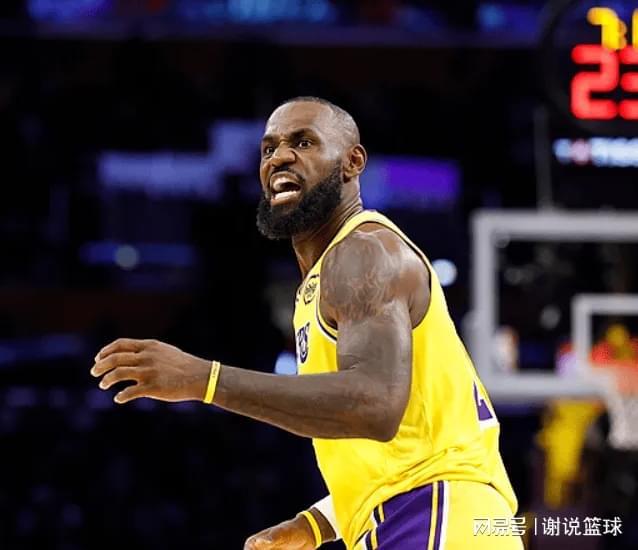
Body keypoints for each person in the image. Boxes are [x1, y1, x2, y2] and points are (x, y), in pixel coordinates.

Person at [91, 97, 522, 549]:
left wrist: (204, 379)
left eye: (303, 142)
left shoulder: (364, 252)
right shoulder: (329, 275)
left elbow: (375, 406)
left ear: (352, 162)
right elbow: (409, 437)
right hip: (425, 515)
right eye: (269, 148)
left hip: (435, 512)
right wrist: (315, 523)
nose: (279, 156)